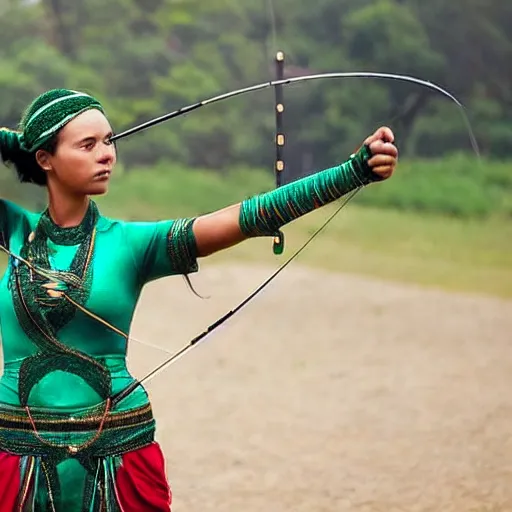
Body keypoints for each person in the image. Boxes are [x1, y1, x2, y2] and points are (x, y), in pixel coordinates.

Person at [0, 88, 398, 511]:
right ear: (45, 158)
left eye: (110, 140)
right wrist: (18, 142)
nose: (107, 155)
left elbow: (252, 215)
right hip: (16, 451)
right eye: (88, 144)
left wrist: (353, 172)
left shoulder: (133, 245)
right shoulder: (11, 229)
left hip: (118, 451)